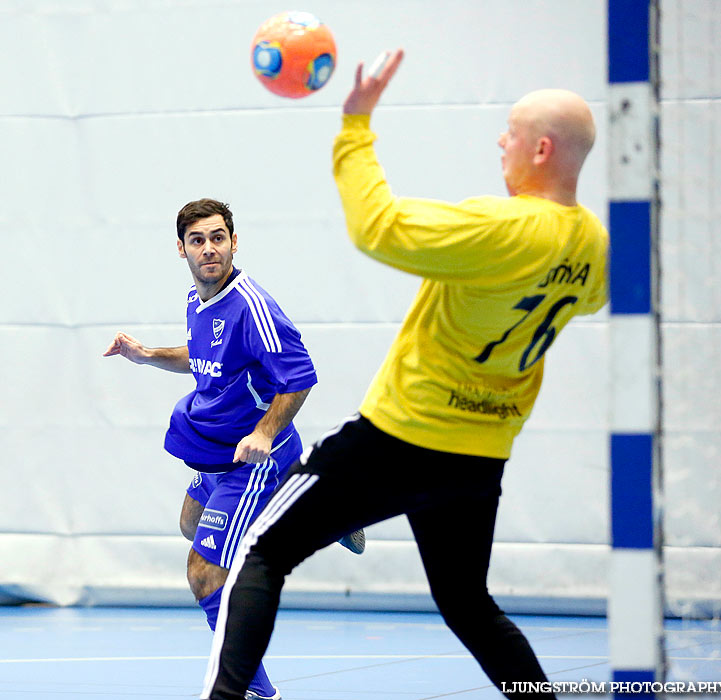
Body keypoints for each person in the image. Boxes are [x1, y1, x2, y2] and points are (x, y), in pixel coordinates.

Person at [200, 49, 609, 700]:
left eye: (508, 130)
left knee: (262, 552)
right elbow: (590, 299)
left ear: (538, 150)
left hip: (403, 436)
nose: (497, 141)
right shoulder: (591, 244)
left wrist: (356, 124)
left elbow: (377, 227)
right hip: (479, 454)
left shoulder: (506, 226)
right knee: (466, 602)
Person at [103, 198, 365, 700]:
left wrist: (265, 433)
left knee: (203, 574)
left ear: (234, 242)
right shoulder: (197, 300)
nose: (209, 249)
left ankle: (254, 690)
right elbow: (203, 357)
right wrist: (147, 355)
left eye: (218, 237)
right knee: (189, 524)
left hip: (252, 459)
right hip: (216, 447)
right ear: (181, 249)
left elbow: (301, 376)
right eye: (198, 240)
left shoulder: (253, 306)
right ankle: (321, 510)